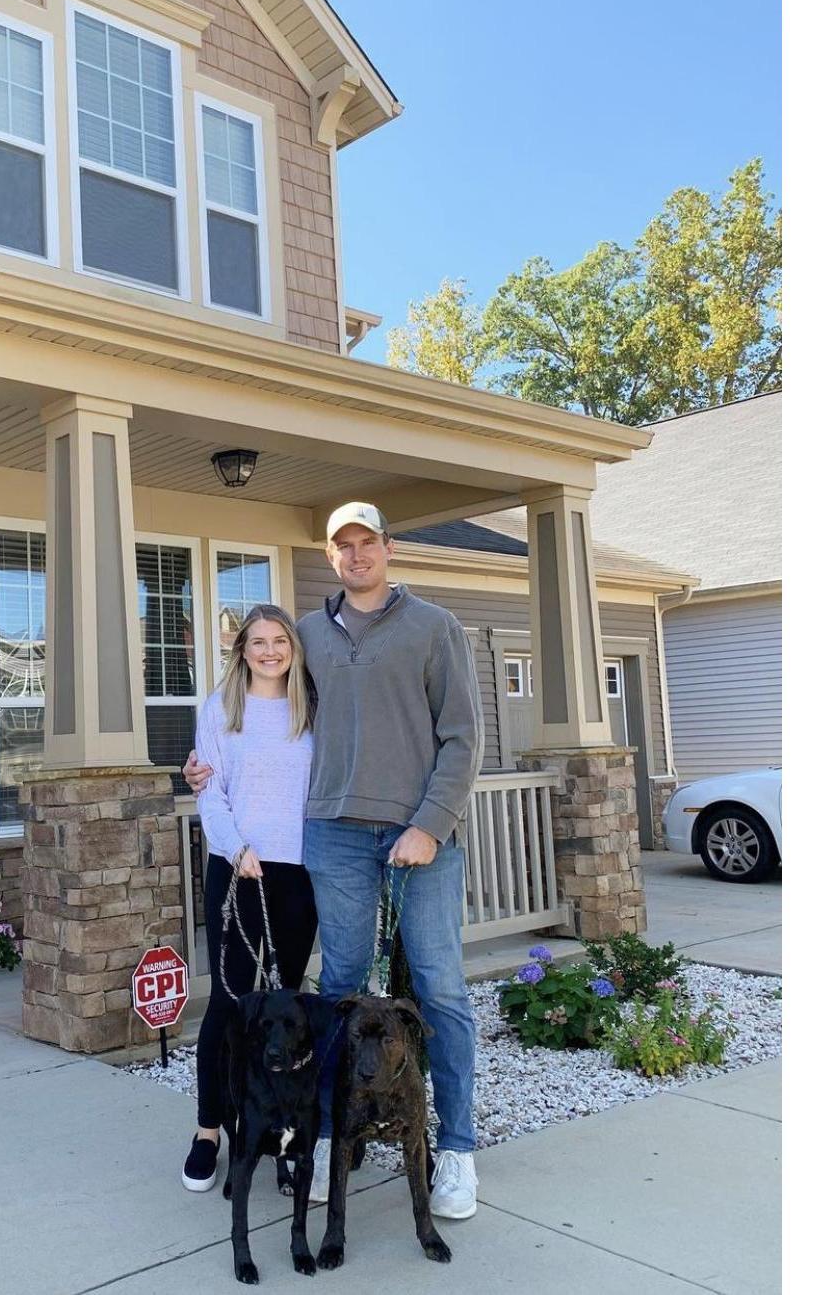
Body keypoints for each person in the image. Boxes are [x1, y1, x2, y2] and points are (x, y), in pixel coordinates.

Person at [185, 502, 484, 1220]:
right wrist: (202, 772)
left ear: (387, 545)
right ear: (328, 554)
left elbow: (462, 735)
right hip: (333, 837)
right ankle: (326, 1143)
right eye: (341, 545)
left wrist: (432, 823)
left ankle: (456, 1151)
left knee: (440, 989)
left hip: (418, 837)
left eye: (366, 542)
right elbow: (251, 722)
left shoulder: (434, 627)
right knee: (339, 989)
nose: (355, 555)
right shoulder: (309, 636)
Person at [181, 604, 319, 1195]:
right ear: (242, 650)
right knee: (230, 1004)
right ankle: (210, 1130)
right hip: (237, 868)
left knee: (286, 1009)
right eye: (257, 641)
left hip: (299, 871)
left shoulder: (312, 705)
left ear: (293, 647)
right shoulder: (221, 709)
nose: (269, 651)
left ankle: (285, 1136)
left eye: (279, 640)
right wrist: (236, 848)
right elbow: (210, 792)